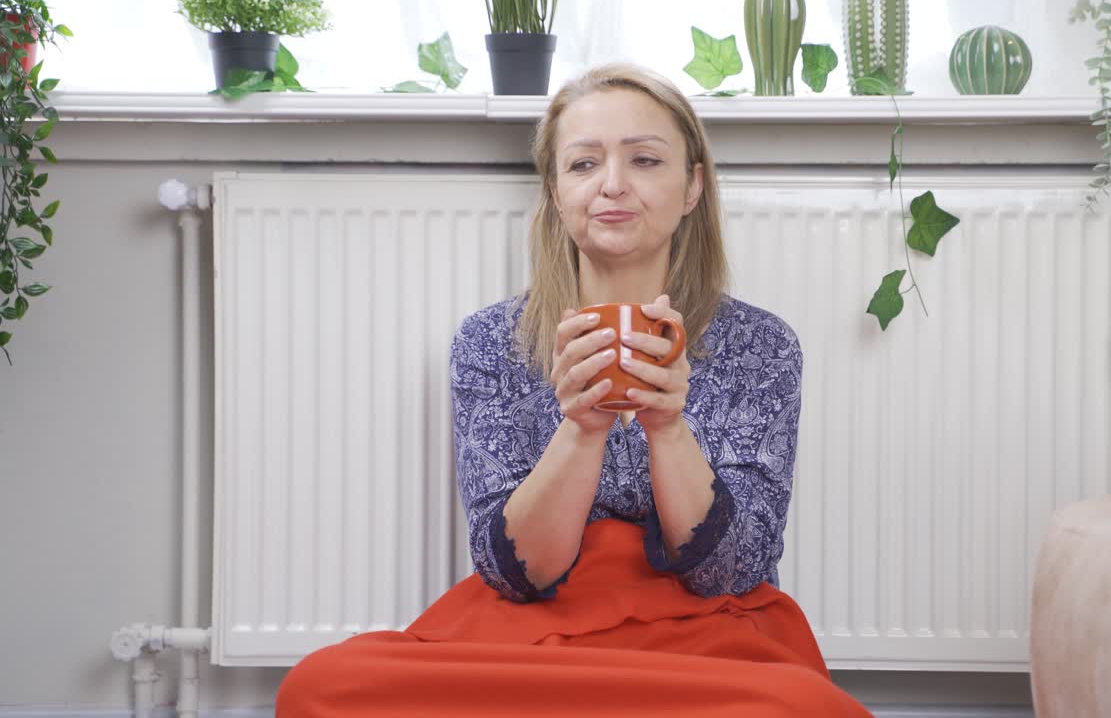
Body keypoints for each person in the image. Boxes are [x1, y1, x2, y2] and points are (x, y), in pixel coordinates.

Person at [276, 63, 870, 717]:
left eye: (645, 160)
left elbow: (731, 572)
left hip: (708, 638)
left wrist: (668, 427)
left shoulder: (762, 346)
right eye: (584, 165)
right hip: (536, 632)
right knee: (322, 686)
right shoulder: (489, 342)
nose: (612, 185)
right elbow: (512, 575)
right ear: (556, 192)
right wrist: (581, 428)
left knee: (804, 708)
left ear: (693, 185)